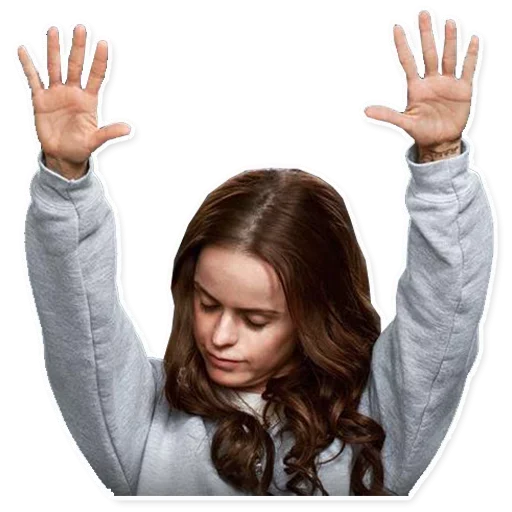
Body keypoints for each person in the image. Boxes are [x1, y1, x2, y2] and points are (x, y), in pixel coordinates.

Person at [17, 10, 496, 497]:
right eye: (208, 304)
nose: (219, 337)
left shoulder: (379, 426)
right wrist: (65, 177)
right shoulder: (141, 422)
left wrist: (442, 162)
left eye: (255, 319)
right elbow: (80, 318)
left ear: (315, 317)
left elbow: (443, 312)